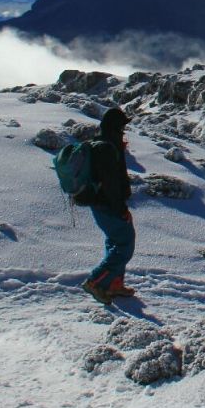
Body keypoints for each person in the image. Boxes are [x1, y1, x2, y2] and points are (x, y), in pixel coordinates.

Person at [81, 107, 135, 305]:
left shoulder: (101, 143)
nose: (124, 129)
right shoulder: (107, 148)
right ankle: (95, 281)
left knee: (115, 241)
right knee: (124, 245)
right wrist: (121, 208)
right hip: (108, 205)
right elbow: (112, 183)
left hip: (99, 204)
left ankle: (114, 284)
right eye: (122, 126)